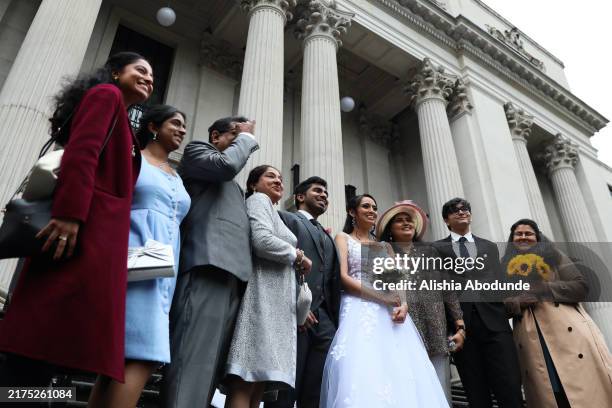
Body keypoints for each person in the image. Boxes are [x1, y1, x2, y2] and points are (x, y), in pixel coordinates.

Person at [0, 52, 153, 388]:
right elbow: (82, 152)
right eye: (140, 70)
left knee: (55, 342)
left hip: (94, 240)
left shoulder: (124, 119)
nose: (148, 79)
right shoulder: (106, 95)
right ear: (115, 73)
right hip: (75, 232)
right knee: (38, 340)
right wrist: (70, 214)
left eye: (152, 76)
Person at [87, 105, 191, 407]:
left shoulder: (177, 175)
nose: (182, 130)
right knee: (142, 354)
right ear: (153, 127)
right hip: (132, 259)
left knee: (120, 359)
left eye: (185, 126)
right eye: (176, 123)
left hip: (163, 270)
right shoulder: (133, 160)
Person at [161, 116, 258, 408]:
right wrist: (247, 138)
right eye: (234, 134)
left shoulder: (234, 189)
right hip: (208, 265)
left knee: (210, 367)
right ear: (216, 136)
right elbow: (226, 166)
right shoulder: (197, 152)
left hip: (234, 276)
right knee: (193, 362)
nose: (241, 139)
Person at [320, 194, 448, 408]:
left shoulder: (383, 247)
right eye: (366, 206)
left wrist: (403, 304)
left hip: (389, 312)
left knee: (398, 366)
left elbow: (395, 281)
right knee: (360, 364)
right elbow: (344, 278)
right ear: (352, 212)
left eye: (374, 207)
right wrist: (381, 297)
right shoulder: (344, 238)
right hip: (357, 308)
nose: (372, 210)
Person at [224, 165, 313, 408]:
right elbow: (261, 241)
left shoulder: (272, 209)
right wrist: (297, 256)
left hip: (276, 301)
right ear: (254, 184)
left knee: (258, 380)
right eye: (270, 176)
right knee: (246, 375)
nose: (278, 181)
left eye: (281, 178)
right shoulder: (258, 199)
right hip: (261, 295)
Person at [501, 218, 612, 408]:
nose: (523, 237)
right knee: (551, 393)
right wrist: (518, 302)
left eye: (529, 233)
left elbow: (581, 286)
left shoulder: (554, 256)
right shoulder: (504, 268)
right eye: (518, 234)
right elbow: (498, 307)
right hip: (531, 340)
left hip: (568, 336)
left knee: (583, 392)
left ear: (538, 237)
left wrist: (544, 289)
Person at [432, 198, 523, 408]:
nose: (462, 212)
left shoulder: (488, 247)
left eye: (465, 209)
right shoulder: (437, 248)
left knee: (509, 388)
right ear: (447, 220)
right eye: (455, 211)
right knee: (476, 393)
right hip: (462, 329)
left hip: (495, 325)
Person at [376, 200, 465, 403]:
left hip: (435, 327)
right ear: (390, 228)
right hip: (402, 328)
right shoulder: (384, 253)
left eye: (409, 220)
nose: (406, 223)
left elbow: (448, 291)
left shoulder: (430, 251)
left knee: (440, 388)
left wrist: (460, 325)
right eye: (400, 221)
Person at [266, 176, 341, 408]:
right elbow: (278, 263)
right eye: (317, 191)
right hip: (295, 313)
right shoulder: (286, 219)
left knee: (317, 388)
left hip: (326, 319)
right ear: (300, 197)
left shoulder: (329, 235)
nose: (324, 196)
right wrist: (299, 301)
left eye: (326, 194)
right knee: (287, 386)